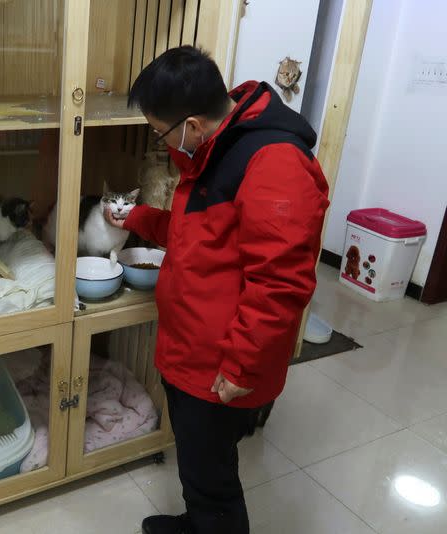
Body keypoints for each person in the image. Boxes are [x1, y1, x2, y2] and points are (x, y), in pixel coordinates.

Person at [105, 46, 329, 534]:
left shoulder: (275, 165)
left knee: (214, 480)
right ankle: (195, 522)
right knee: (197, 464)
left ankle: (212, 523)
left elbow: (281, 284)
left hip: (221, 365)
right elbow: (201, 236)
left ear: (192, 124)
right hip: (191, 352)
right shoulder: (218, 147)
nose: (163, 144)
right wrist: (138, 218)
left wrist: (241, 366)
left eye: (160, 132)